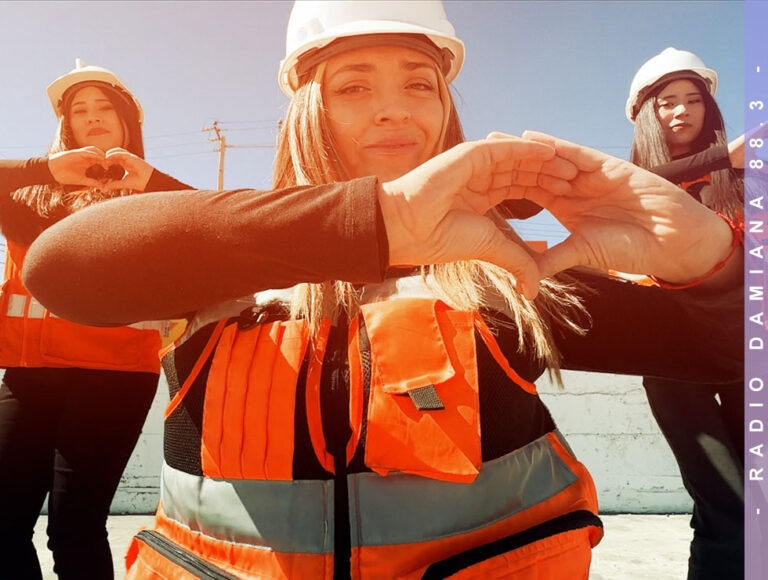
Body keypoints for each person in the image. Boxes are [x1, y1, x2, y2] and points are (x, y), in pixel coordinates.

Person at [23, 3, 742, 579]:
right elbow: (63, 266)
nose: (395, 109)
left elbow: (727, 350)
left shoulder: (508, 280)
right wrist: (385, 220)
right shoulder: (220, 259)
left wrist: (713, 264)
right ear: (306, 108)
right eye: (355, 85)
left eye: (420, 83)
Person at [0, 60, 191, 580]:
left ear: (129, 121)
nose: (92, 117)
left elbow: (215, 220)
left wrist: (148, 179)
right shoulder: (29, 200)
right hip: (29, 375)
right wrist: (46, 169)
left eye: (105, 106)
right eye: (79, 111)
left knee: (74, 528)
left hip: (112, 379)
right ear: (67, 129)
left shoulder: (155, 204)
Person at [626, 47, 744, 580]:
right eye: (667, 101)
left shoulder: (744, 181)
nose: (681, 111)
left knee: (743, 505)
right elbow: (646, 187)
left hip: (745, 351)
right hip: (670, 355)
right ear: (646, 113)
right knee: (729, 506)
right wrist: (724, 157)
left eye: (693, 99)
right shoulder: (623, 181)